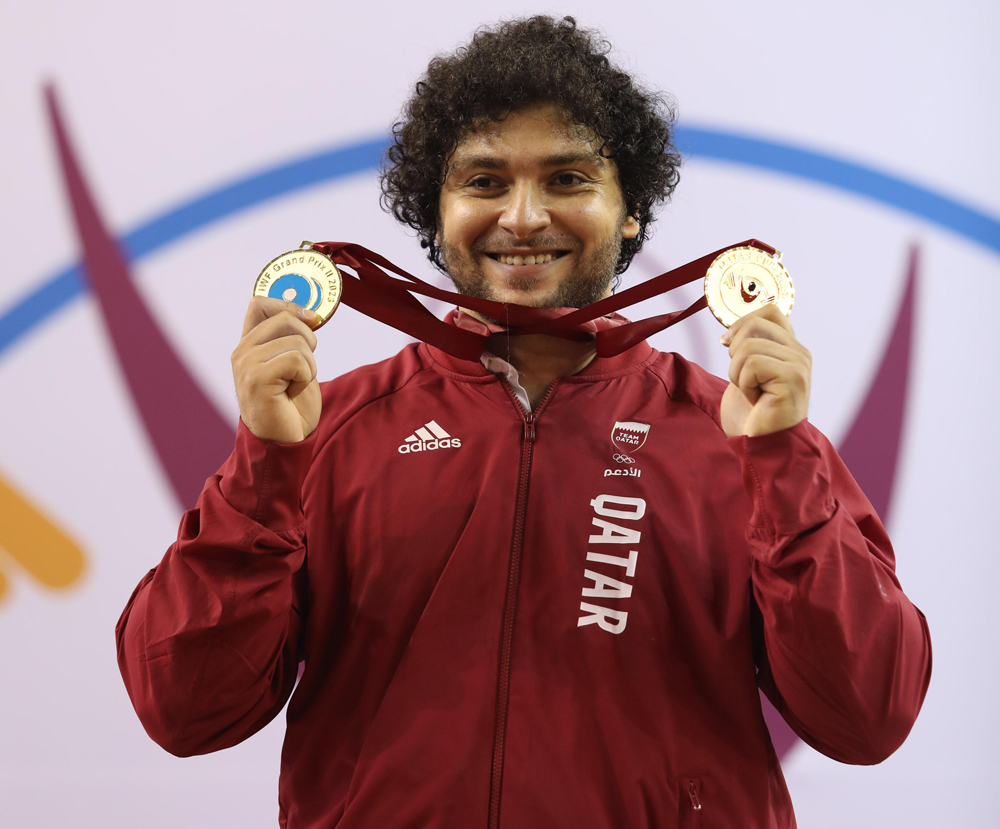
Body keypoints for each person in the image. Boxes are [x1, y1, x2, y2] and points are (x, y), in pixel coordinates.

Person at [116, 15, 932, 829]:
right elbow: (185, 709)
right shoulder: (326, 433)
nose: (524, 217)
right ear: (434, 215)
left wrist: (783, 464)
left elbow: (867, 716)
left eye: (569, 178)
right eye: (484, 182)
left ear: (632, 210)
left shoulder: (741, 434)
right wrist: (265, 467)